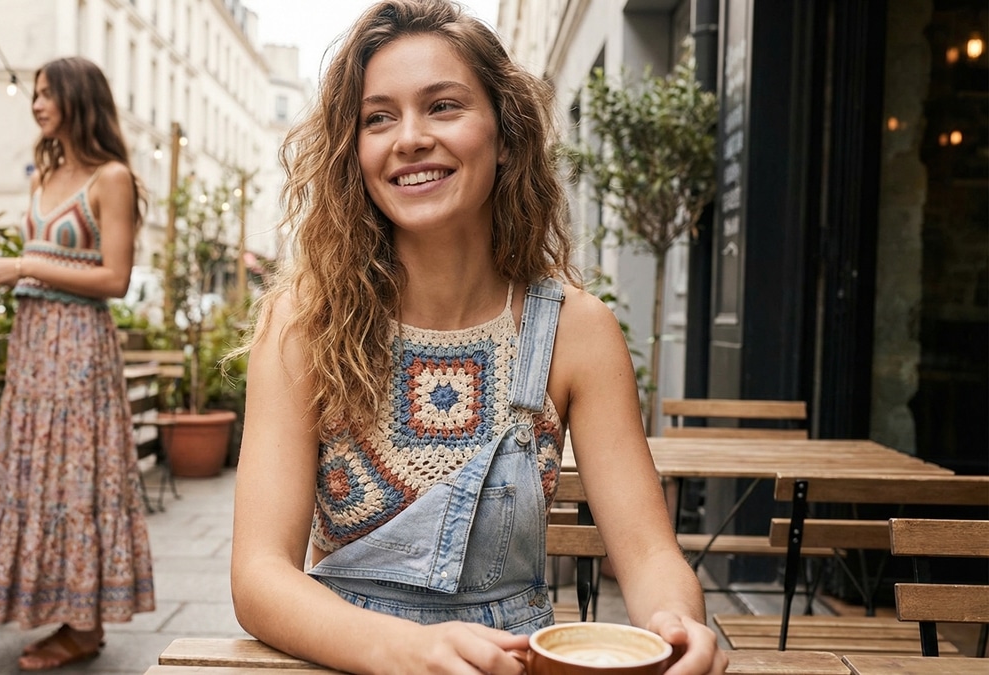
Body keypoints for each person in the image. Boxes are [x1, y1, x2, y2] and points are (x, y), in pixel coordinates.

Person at [229, 2, 727, 674]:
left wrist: (675, 621)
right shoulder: (301, 322)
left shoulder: (578, 330)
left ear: (506, 132)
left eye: (442, 106)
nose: (408, 137)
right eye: (379, 117)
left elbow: (648, 555)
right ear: (356, 151)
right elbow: (259, 576)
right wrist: (404, 649)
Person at [0, 56, 155, 672]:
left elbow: (115, 278)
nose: (37, 103)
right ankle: (73, 617)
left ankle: (84, 625)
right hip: (33, 348)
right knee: (40, 474)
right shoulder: (43, 176)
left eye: (48, 94)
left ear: (78, 99)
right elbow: (50, 258)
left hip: (78, 350)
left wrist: (22, 265)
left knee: (80, 477)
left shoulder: (111, 177)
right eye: (36, 93)